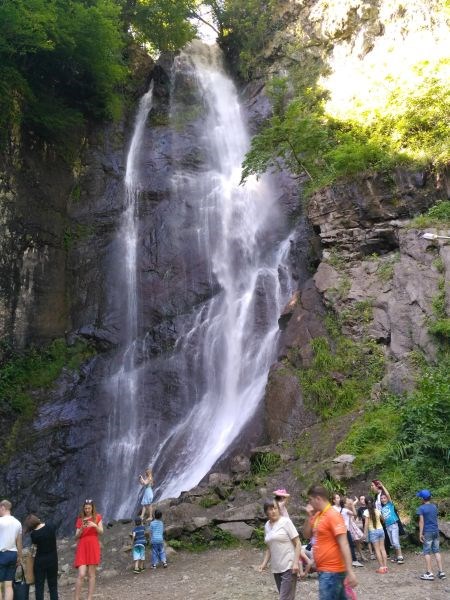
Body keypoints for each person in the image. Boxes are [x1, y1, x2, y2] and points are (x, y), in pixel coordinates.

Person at [304, 485, 357, 599]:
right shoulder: (318, 515)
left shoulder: (333, 515)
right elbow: (307, 534)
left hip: (332, 571)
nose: (309, 504)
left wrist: (350, 571)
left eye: (310, 500)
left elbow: (344, 544)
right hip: (325, 570)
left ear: (318, 499)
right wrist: (309, 516)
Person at [258, 499, 300, 600]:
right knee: (287, 597)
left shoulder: (286, 522)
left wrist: (295, 563)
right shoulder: (267, 526)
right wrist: (264, 564)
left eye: (275, 508)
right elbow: (269, 547)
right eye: (270, 509)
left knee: (283, 598)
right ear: (266, 512)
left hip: (288, 566)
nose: (273, 511)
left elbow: (298, 543)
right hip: (276, 568)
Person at [23, 514, 59, 600]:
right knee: (53, 586)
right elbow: (54, 527)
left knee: (39, 587)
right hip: (53, 560)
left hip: (40, 562)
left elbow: (34, 547)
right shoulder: (50, 526)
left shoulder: (34, 535)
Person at [74, 499, 103, 600]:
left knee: (91, 574)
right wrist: (81, 529)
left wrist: (94, 525)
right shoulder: (80, 519)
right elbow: (76, 536)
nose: (87, 510)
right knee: (81, 574)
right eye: (85, 508)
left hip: (93, 545)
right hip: (82, 546)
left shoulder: (97, 517)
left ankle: (89, 598)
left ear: (92, 508)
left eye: (89, 508)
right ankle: (76, 598)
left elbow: (101, 532)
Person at [416, 489, 446, 580]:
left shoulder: (421, 508)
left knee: (427, 552)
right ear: (430, 497)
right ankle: (441, 572)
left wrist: (420, 534)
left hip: (427, 532)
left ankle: (430, 573)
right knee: (436, 551)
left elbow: (421, 522)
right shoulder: (434, 507)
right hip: (436, 531)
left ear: (422, 498)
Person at [331, 493, 363, 568]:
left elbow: (355, 514)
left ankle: (354, 560)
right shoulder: (332, 509)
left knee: (350, 545)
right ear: (334, 500)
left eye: (339, 497)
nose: (339, 499)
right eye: (337, 498)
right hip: (337, 530)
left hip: (346, 530)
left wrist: (352, 505)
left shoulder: (345, 510)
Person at [0, 500, 22, 600]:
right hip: (13, 554)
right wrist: (19, 557)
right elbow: (19, 542)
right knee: (9, 585)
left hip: (2, 554)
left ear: (3, 507)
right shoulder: (18, 523)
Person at [379, 484, 404, 564]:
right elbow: (383, 519)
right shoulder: (382, 509)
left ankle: (400, 557)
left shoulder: (390, 504)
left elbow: (388, 494)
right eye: (381, 498)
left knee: (396, 542)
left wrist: (382, 486)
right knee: (393, 543)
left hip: (394, 525)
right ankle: (397, 556)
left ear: (387, 498)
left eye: (384, 498)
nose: (383, 499)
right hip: (387, 526)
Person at [363, 497, 387, 573]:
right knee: (382, 548)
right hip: (381, 530)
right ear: (373, 503)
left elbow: (366, 524)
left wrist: (365, 534)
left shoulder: (366, 512)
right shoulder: (377, 510)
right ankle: (385, 566)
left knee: (377, 550)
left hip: (373, 532)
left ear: (366, 503)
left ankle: (381, 567)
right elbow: (383, 519)